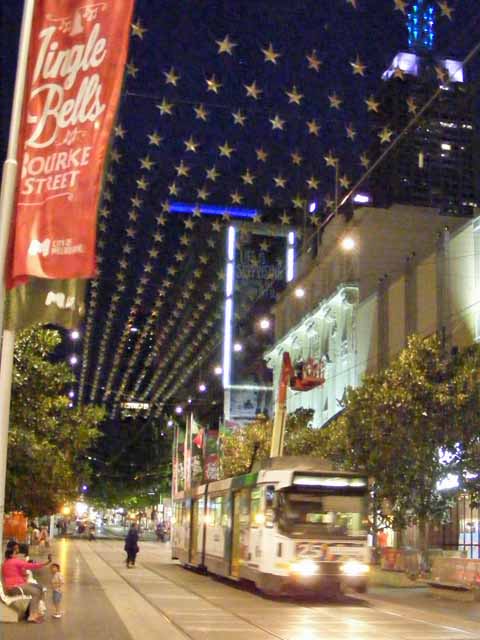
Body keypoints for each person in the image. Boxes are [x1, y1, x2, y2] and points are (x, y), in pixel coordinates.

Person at [2, 548, 51, 623]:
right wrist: (46, 563)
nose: (17, 555)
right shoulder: (14, 561)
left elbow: (19, 572)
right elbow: (31, 566)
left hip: (16, 585)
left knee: (40, 587)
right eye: (15, 553)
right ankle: (32, 615)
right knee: (36, 592)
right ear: (11, 555)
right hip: (14, 587)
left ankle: (36, 612)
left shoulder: (6, 562)